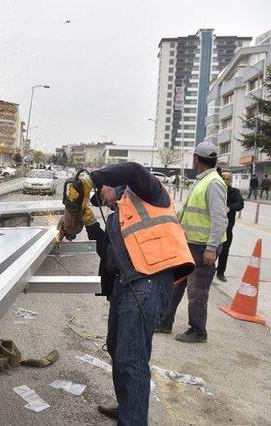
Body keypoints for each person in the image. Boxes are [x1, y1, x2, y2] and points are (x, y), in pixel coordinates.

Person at [66, 163, 195, 425]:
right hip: (125, 285)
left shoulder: (148, 193)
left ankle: (132, 419)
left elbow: (134, 170)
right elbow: (109, 253)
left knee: (131, 358)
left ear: (114, 184)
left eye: (101, 192)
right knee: (117, 347)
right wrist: (90, 222)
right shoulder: (117, 216)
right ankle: (128, 405)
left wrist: (93, 177)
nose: (101, 198)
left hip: (148, 282)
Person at [157, 142, 227, 343]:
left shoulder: (213, 182)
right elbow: (190, 211)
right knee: (177, 283)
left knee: (197, 291)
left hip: (203, 247)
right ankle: (164, 321)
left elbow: (220, 219)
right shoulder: (203, 180)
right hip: (189, 244)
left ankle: (198, 330)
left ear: (197, 158)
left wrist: (212, 248)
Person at [216, 171, 244, 282]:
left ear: (231, 181)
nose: (225, 180)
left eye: (227, 179)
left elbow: (240, 204)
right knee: (211, 249)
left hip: (227, 227)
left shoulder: (234, 192)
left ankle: (220, 272)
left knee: (225, 250)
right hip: (214, 226)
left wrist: (229, 207)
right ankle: (209, 269)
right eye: (223, 178)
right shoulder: (216, 189)